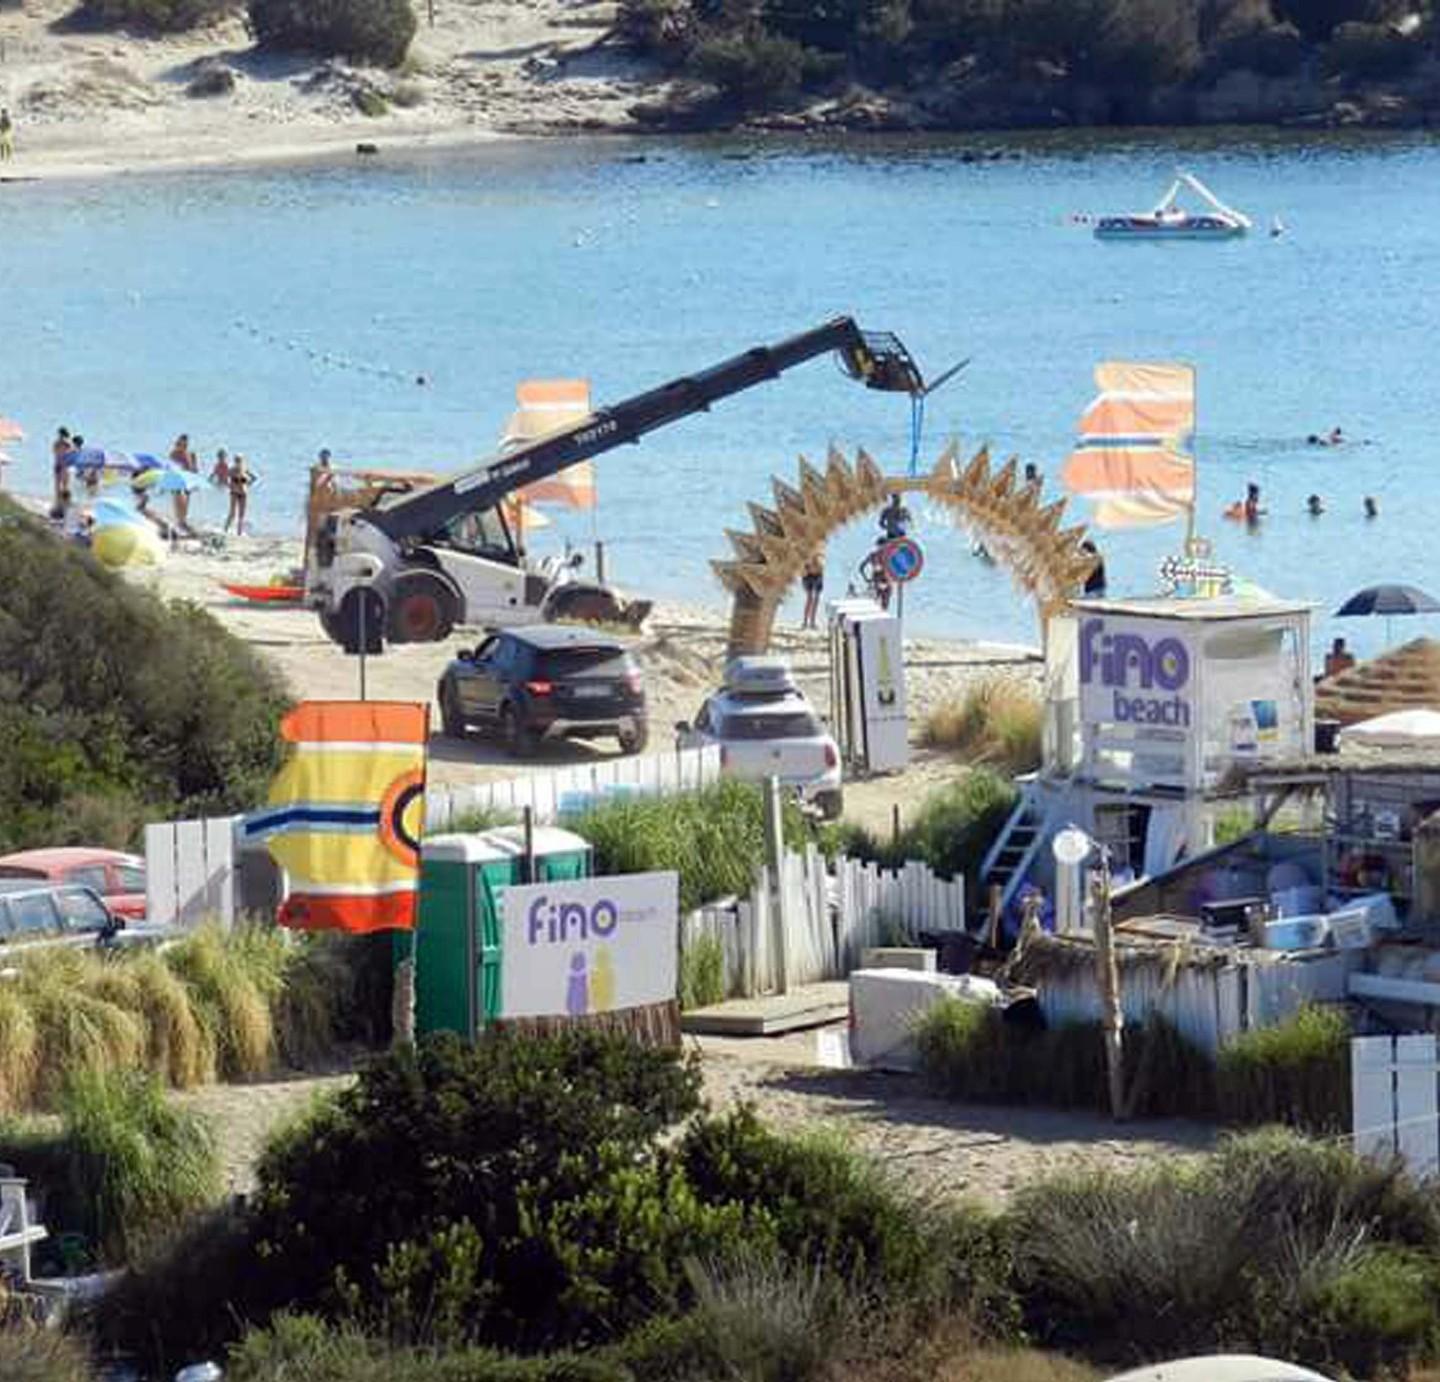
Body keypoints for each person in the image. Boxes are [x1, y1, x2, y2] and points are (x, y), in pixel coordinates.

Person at [226, 454, 252, 534]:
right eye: (237, 460)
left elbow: (253, 478)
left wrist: (247, 483)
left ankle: (239, 532)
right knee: (232, 513)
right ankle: (225, 529)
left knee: (241, 514)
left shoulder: (245, 469)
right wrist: (230, 485)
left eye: (239, 460)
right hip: (234, 492)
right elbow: (226, 479)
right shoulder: (232, 470)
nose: (238, 462)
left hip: (243, 493)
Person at [800, 550, 824, 630]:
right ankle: (807, 621)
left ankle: (811, 622)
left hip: (816, 572)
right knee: (810, 598)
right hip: (809, 572)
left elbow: (821, 556)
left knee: (814, 598)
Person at [51, 427, 72, 505]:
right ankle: (62, 501)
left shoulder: (58, 443)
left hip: (59, 464)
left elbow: (54, 452)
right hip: (63, 465)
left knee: (59, 484)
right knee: (64, 484)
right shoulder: (67, 443)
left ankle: (58, 500)